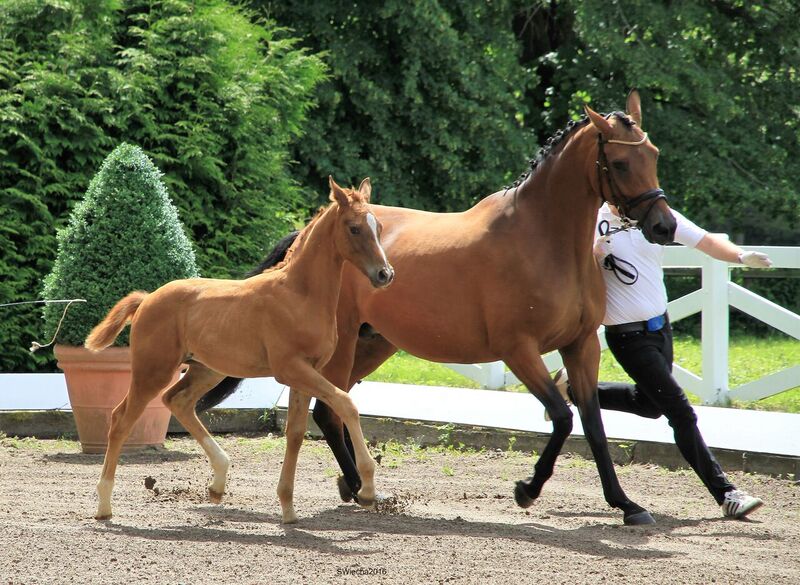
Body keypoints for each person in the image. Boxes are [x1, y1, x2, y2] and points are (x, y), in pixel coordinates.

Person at [553, 201, 772, 520]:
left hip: (661, 327)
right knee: (681, 413)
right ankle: (726, 494)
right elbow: (564, 271)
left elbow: (705, 239)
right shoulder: (589, 221)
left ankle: (572, 390)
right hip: (627, 337)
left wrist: (740, 256)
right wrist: (592, 257)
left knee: (650, 404)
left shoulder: (652, 216)